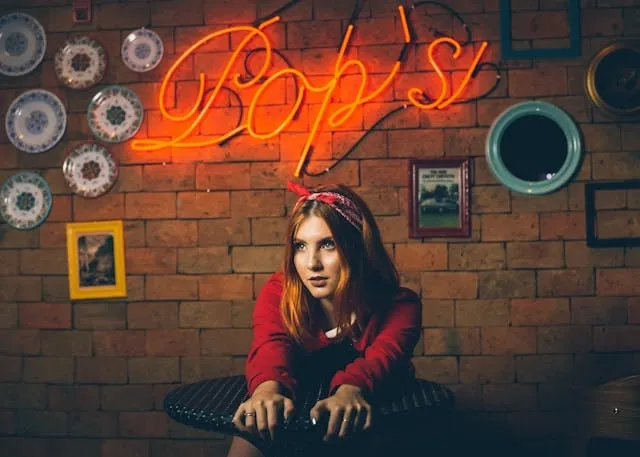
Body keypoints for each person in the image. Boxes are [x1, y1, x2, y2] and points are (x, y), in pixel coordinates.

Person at [226, 181, 423, 457]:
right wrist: (266, 390)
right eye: (301, 246)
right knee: (248, 440)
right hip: (294, 416)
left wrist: (351, 390)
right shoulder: (280, 292)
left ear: (357, 247)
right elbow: (270, 344)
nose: (311, 263)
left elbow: (381, 359)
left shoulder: (400, 305)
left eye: (328, 244)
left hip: (374, 422)